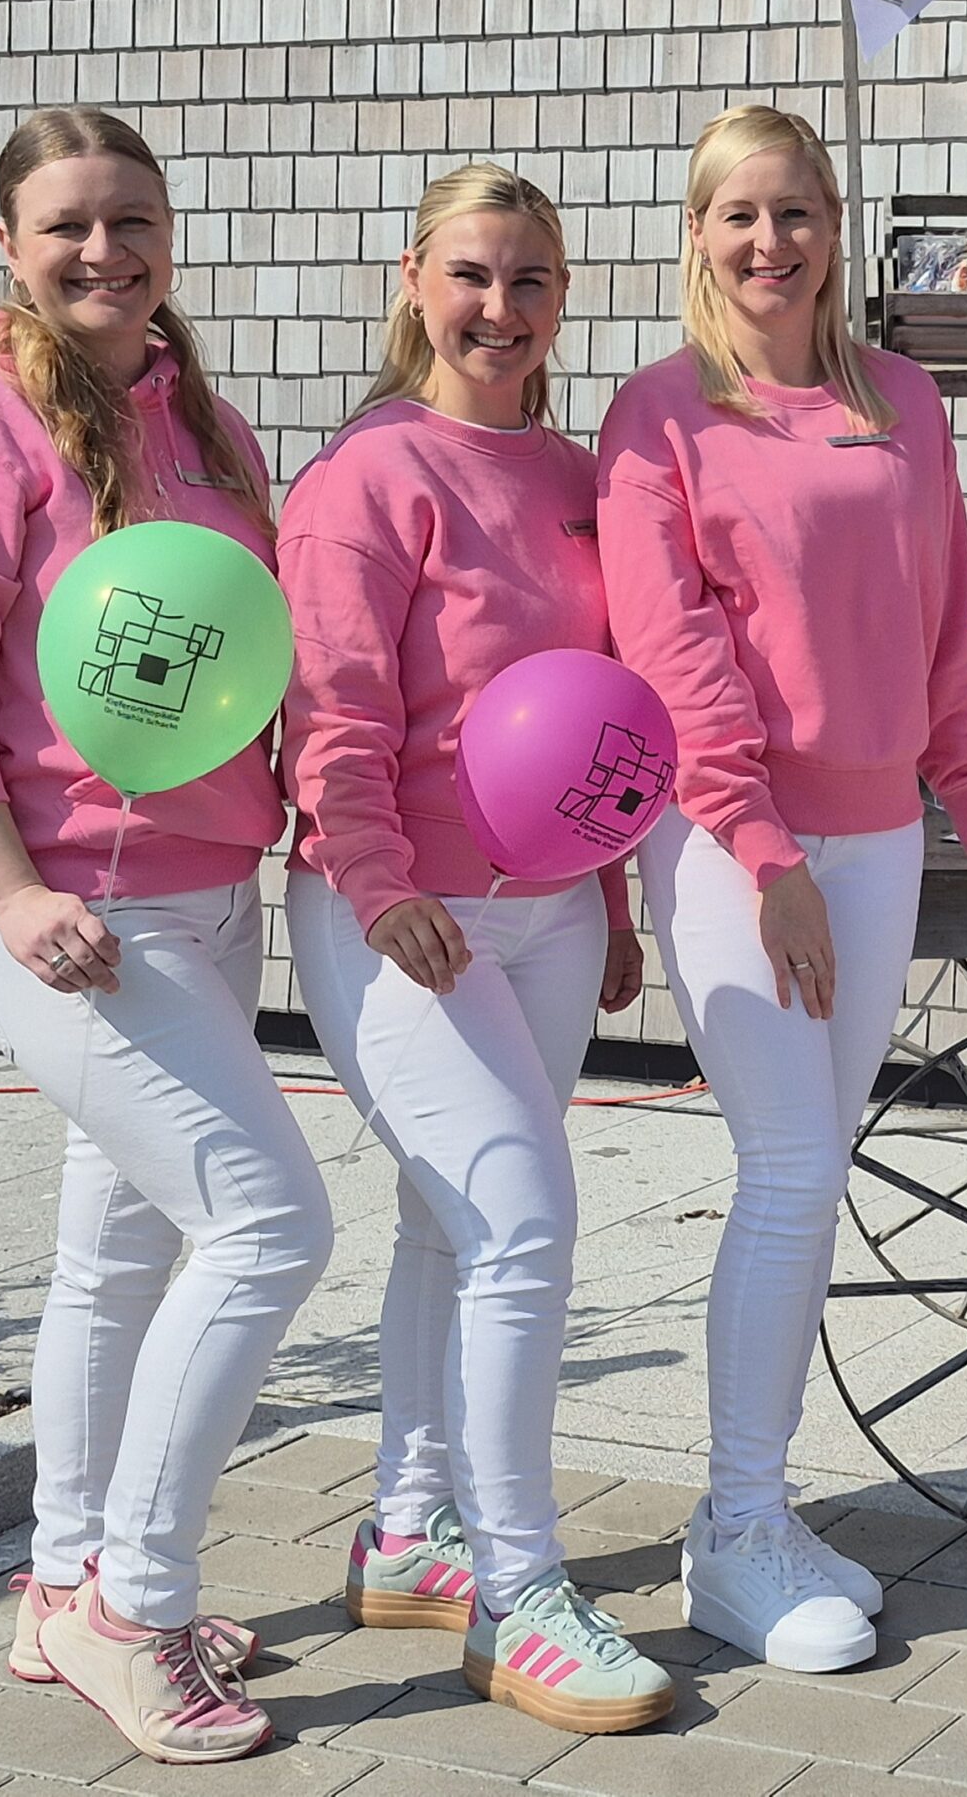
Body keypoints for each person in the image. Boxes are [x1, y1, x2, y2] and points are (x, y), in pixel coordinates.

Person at [597, 105, 967, 1672]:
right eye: (739, 215)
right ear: (698, 235)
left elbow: (942, 621)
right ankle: (738, 1529)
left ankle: (758, 1511)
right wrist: (764, 856)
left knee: (816, 1169)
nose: (770, 242)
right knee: (783, 1169)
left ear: (836, 227)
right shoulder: (659, 417)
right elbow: (675, 654)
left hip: (881, 837)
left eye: (796, 212)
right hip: (731, 844)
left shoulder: (903, 399)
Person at [0, 107, 328, 1766]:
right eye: (67, 224)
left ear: (167, 234)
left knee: (119, 1255)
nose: (103, 251)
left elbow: (252, 647)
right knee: (270, 1228)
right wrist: (7, 889)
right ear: (10, 244)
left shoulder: (203, 419)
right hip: (70, 911)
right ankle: (135, 1606)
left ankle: (60, 1578)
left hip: (208, 889)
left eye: (131, 219)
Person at [281, 164, 673, 1735]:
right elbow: (333, 708)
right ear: (413, 278)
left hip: (552, 912)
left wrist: (615, 901)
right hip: (402, 913)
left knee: (449, 1227)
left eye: (529, 280)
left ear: (562, 295)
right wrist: (377, 885)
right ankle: (518, 1593)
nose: (498, 308)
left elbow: (603, 714)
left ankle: (409, 1524)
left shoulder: (581, 475)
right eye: (470, 274)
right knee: (522, 1220)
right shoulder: (368, 474)